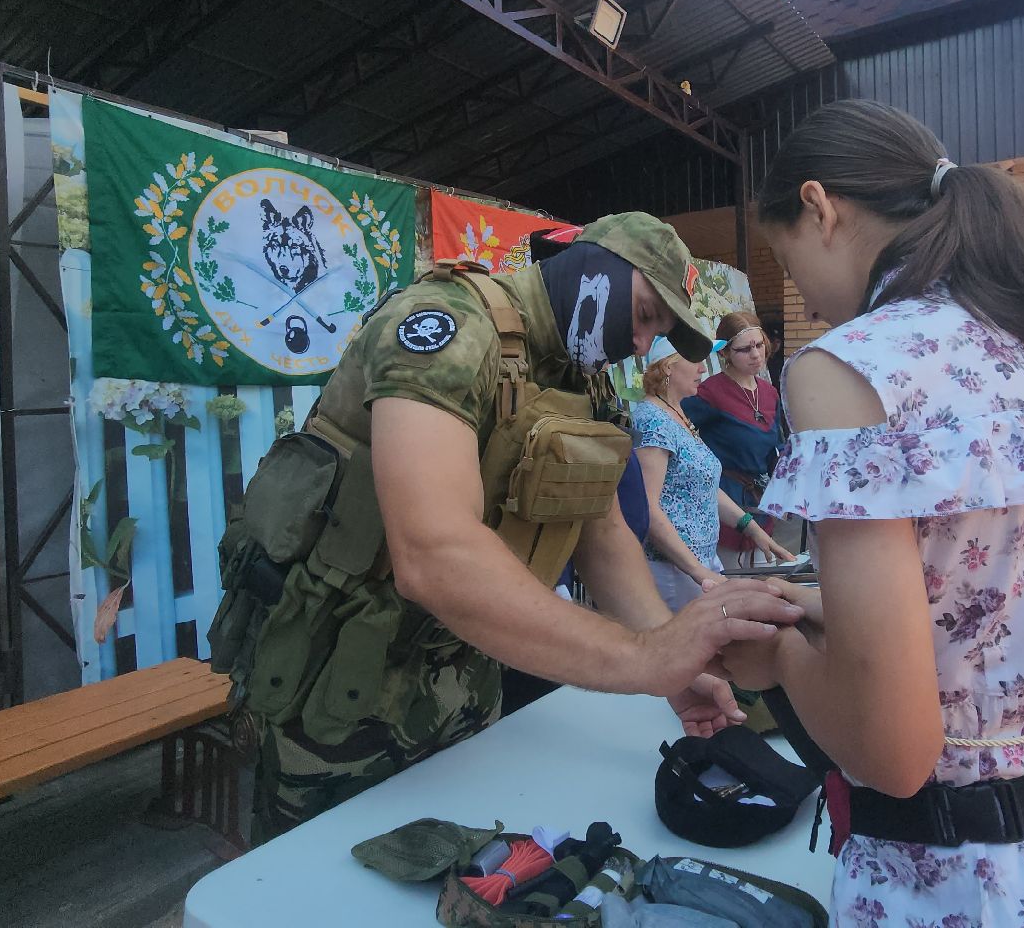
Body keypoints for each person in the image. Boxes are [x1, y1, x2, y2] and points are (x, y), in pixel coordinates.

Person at [717, 100, 1024, 927]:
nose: (808, 300)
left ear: (819, 206)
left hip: (964, 881)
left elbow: (892, 753)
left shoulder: (852, 366)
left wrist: (782, 659)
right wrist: (824, 611)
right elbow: (1007, 611)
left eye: (789, 265)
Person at [211, 213, 804, 838]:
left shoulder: (584, 380)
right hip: (339, 689)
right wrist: (639, 656)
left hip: (462, 683)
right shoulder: (452, 328)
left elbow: (601, 534)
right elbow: (434, 554)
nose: (642, 343)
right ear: (597, 268)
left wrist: (672, 663)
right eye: (648, 313)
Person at [635, 335, 795, 611]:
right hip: (674, 571)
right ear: (668, 367)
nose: (703, 369)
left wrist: (751, 527)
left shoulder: (677, 413)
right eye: (695, 360)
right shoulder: (653, 420)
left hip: (695, 565)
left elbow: (703, 484)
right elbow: (647, 506)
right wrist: (698, 571)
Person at [683, 312, 789, 567]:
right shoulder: (709, 393)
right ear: (725, 353)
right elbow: (678, 436)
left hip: (760, 504)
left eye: (759, 345)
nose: (756, 354)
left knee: (766, 589)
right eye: (745, 349)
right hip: (722, 505)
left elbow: (777, 447)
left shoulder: (769, 392)